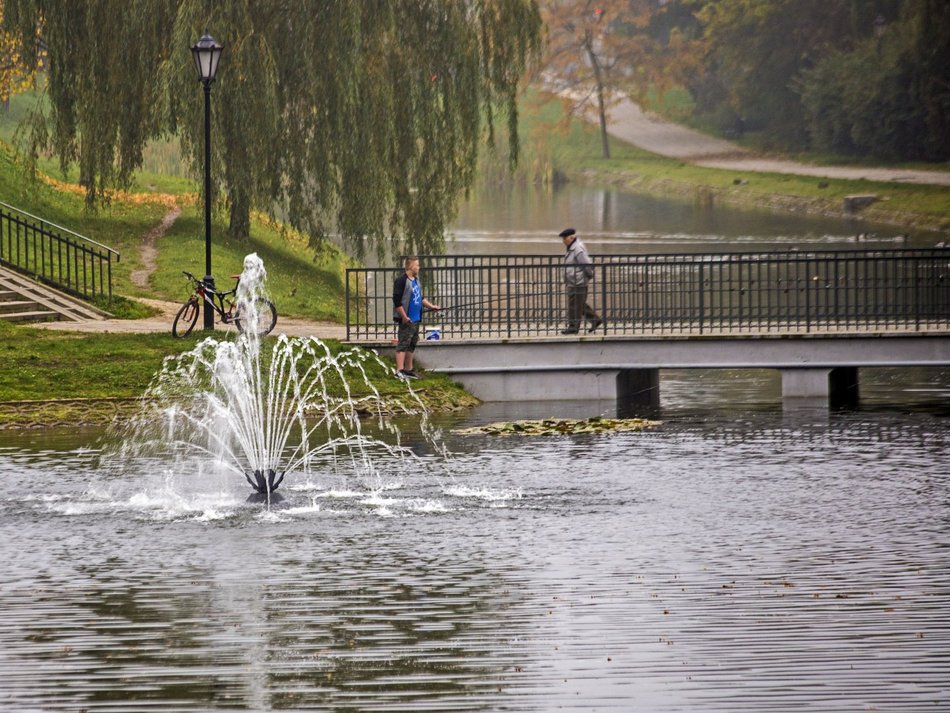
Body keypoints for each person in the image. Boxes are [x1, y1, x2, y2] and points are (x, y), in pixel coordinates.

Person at [392, 256, 440, 379]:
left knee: (412, 343)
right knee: (403, 343)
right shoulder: (401, 281)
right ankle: (399, 370)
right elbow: (397, 301)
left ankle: (409, 369)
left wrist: (432, 306)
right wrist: (404, 316)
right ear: (410, 266)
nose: (418, 267)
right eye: (417, 265)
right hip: (406, 319)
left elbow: (421, 298)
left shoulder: (416, 281)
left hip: (416, 318)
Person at [559, 227, 603, 334]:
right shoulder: (573, 247)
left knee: (574, 305)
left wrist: (588, 276)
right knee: (580, 304)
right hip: (575, 280)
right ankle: (595, 320)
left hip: (578, 281)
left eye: (564, 238)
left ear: (571, 238)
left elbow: (587, 265)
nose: (563, 241)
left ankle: (573, 327)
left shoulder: (577, 248)